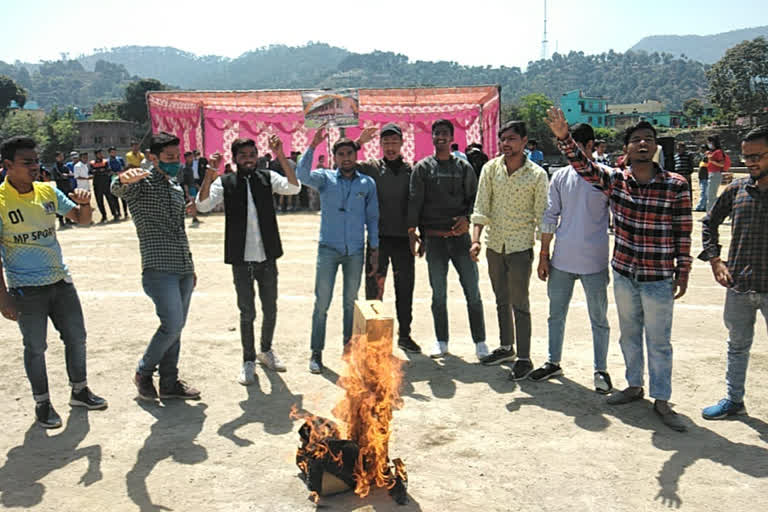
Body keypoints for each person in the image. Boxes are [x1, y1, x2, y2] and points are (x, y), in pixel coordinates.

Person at [545, 108, 692, 432]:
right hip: (625, 273)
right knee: (628, 335)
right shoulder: (615, 181)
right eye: (636, 139)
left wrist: (683, 272)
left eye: (648, 140)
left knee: (659, 340)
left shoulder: (675, 185)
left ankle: (663, 400)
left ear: (656, 147)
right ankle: (633, 386)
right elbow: (582, 165)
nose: (642, 143)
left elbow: (683, 231)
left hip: (657, 277)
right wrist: (563, 137)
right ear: (626, 148)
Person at [0, 136, 107, 429]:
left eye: (36, 161)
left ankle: (80, 391)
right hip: (25, 289)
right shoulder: (0, 202)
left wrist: (85, 206)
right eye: (27, 162)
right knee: (35, 347)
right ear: (8, 165)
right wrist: (4, 298)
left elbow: (81, 220)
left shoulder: (48, 191)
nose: (35, 167)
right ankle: (43, 403)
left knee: (77, 337)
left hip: (61, 282)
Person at [196, 136, 300, 384]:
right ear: (235, 159)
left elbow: (294, 187)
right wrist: (210, 173)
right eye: (242, 155)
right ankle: (248, 360)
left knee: (270, 307)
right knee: (247, 312)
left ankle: (266, 350)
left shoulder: (267, 177)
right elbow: (202, 206)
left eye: (251, 154)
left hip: (267, 257)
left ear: (257, 156)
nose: (248, 159)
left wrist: (281, 156)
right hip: (241, 260)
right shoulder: (225, 182)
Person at [111, 131, 201, 402]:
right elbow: (119, 188)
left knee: (177, 327)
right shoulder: (143, 182)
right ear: (153, 157)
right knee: (171, 325)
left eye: (177, 156)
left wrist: (191, 266)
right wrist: (122, 178)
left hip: (182, 268)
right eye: (169, 157)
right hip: (158, 268)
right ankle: (144, 371)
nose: (175, 161)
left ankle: (170, 382)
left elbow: (180, 230)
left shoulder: (174, 187)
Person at [530, 123, 613, 392]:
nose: (570, 152)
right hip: (562, 260)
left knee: (598, 318)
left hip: (594, 262)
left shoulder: (606, 176)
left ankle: (601, 370)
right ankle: (553, 361)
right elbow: (549, 216)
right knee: (556, 314)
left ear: (590, 146)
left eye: (576, 147)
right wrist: (544, 254)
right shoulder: (560, 177)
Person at [296, 126, 379, 374]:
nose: (346, 158)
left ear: (356, 155)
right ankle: (316, 353)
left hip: (355, 251)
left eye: (350, 153)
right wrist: (313, 145)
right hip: (328, 250)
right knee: (322, 303)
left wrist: (373, 248)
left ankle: (348, 349)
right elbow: (302, 175)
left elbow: (373, 217)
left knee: (349, 304)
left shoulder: (367, 183)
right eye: (341, 154)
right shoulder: (324, 179)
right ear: (335, 157)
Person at [699, 125, 768, 420]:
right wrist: (715, 260)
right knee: (737, 346)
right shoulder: (737, 190)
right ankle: (733, 400)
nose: (751, 162)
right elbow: (708, 222)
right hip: (740, 285)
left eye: (758, 156)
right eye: (746, 156)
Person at [470, 120, 548, 379]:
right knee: (501, 298)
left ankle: (524, 358)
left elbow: (542, 216)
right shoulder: (490, 169)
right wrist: (476, 239)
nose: (506, 144)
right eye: (503, 139)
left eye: (512, 139)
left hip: (520, 247)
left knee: (520, 303)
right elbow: (481, 207)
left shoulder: (537, 175)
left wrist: (544, 254)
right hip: (494, 244)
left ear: (525, 142)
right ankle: (506, 347)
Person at [408, 119, 487, 360]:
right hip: (435, 241)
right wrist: (414, 234)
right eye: (437, 133)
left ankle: (480, 342)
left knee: (472, 291)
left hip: (461, 239)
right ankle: (441, 341)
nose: (441, 137)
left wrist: (467, 218)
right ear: (432, 137)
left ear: (452, 138)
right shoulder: (422, 169)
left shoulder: (464, 169)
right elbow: (415, 202)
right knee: (438, 293)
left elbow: (476, 199)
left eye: (445, 134)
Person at [355, 123, 420, 353]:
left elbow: (418, 204)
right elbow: (344, 164)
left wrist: (418, 234)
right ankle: (374, 340)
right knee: (374, 289)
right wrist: (358, 143)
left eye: (394, 142)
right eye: (386, 143)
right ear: (380, 145)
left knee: (405, 288)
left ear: (402, 144)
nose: (390, 147)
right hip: (377, 240)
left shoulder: (411, 171)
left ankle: (405, 335)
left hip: (404, 239)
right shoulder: (372, 168)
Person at [91, 149, 120, 223]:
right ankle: (104, 216)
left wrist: (99, 171)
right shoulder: (92, 163)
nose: (101, 155)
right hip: (97, 184)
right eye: (99, 154)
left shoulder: (105, 162)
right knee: (99, 201)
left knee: (110, 199)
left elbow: (108, 170)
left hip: (106, 183)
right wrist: (100, 170)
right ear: (96, 155)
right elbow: (91, 171)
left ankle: (115, 214)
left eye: (101, 153)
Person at [51, 151, 75, 228]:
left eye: (62, 156)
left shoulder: (65, 166)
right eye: (60, 156)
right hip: (61, 188)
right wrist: (66, 175)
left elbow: (71, 175)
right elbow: (59, 176)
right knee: (61, 205)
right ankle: (61, 221)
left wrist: (67, 175)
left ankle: (68, 220)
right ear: (56, 158)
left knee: (68, 203)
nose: (62, 158)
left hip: (68, 187)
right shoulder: (55, 167)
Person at [706, 135, 726, 211]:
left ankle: (710, 214)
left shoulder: (718, 152)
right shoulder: (712, 152)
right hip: (711, 174)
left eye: (709, 142)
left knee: (711, 196)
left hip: (715, 174)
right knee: (710, 195)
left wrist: (712, 161)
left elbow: (722, 164)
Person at [108, 147, 128, 219]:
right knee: (115, 197)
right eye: (112, 152)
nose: (114, 153)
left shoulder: (120, 159)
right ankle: (118, 212)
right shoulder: (108, 161)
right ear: (109, 153)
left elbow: (124, 167)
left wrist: (122, 172)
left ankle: (125, 212)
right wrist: (115, 173)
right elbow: (109, 170)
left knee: (123, 196)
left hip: (122, 179)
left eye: (114, 152)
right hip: (113, 179)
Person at [181, 152, 201, 225]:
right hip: (189, 187)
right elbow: (184, 181)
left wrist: (196, 185)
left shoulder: (190, 167)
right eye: (190, 157)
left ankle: (183, 210)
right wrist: (186, 190)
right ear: (186, 158)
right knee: (193, 203)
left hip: (193, 186)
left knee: (194, 202)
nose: (192, 158)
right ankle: (194, 218)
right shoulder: (185, 168)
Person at [695, 144, 709, 211]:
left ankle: (701, 206)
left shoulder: (706, 157)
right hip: (702, 177)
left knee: (703, 192)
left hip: (705, 177)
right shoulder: (703, 157)